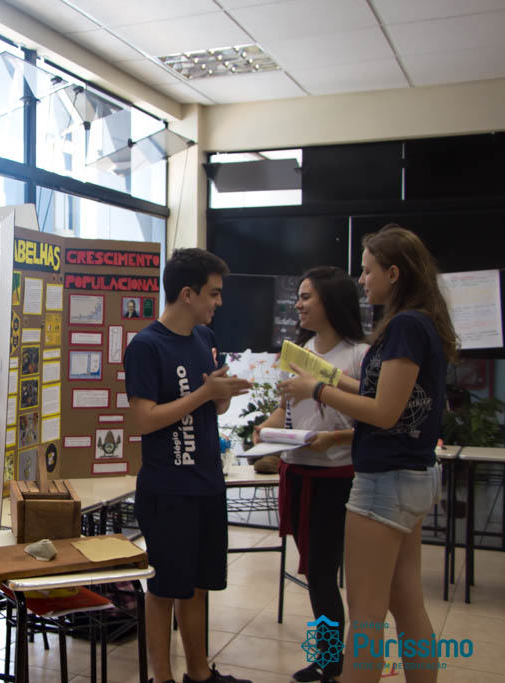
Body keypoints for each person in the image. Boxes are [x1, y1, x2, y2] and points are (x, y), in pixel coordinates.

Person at [280, 225, 456, 683]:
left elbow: (383, 412)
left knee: (365, 615)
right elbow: (382, 393)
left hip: (384, 481)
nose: (362, 279)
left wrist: (317, 390)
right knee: (405, 602)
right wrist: (324, 378)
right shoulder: (420, 322)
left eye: (368, 270)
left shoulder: (404, 326)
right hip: (411, 476)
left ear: (394, 274)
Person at [125, 248, 252, 683]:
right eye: (213, 293)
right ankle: (161, 677)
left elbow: (214, 407)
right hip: (168, 490)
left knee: (198, 585)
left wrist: (222, 392)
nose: (219, 302)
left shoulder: (204, 338)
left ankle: (199, 673)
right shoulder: (146, 346)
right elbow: (144, 419)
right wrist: (204, 394)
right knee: (164, 588)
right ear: (187, 294)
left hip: (207, 483)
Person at [253, 266, 368, 683]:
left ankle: (332, 661)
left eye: (306, 297)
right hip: (297, 472)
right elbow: (287, 409)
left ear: (330, 302)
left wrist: (333, 438)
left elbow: (374, 420)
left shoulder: (359, 355)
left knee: (321, 573)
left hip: (335, 479)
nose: (298, 305)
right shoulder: (300, 351)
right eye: (298, 297)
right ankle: (330, 658)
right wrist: (265, 428)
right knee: (316, 575)